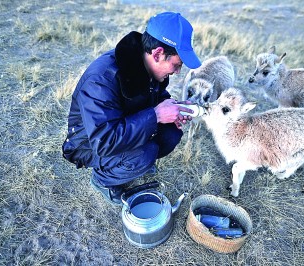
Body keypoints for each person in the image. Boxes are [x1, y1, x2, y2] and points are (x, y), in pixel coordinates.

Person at [61, 12, 202, 205]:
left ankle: (133, 164)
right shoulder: (101, 79)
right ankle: (102, 179)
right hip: (88, 142)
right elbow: (104, 141)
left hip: (124, 124)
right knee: (144, 155)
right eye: (177, 65)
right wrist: (156, 115)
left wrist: (171, 108)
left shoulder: (147, 65)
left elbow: (155, 95)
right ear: (158, 53)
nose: (177, 72)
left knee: (171, 134)